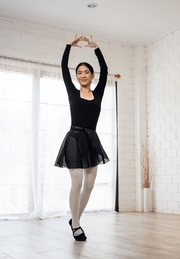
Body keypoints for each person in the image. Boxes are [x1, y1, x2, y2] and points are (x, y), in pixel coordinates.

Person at [55, 35, 109, 241]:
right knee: (76, 183)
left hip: (92, 140)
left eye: (86, 72)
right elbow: (63, 67)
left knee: (90, 185)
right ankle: (76, 225)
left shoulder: (99, 92)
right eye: (79, 72)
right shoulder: (72, 92)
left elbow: (105, 71)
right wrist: (69, 45)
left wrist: (97, 48)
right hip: (74, 139)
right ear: (76, 76)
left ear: (92, 75)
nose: (83, 75)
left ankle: (76, 218)